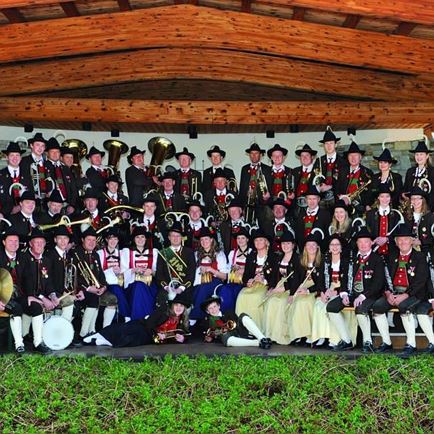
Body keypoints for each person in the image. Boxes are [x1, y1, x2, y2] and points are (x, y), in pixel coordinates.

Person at [372, 224, 429, 357]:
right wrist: (388, 293)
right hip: (393, 293)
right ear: (396, 243)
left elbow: (421, 281)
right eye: (400, 240)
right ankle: (386, 342)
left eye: (406, 239)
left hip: (414, 294)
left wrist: (405, 295)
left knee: (404, 306)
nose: (403, 242)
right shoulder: (392, 257)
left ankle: (411, 344)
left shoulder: (420, 257)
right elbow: (385, 278)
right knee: (377, 306)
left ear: (411, 241)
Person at [326, 227, 384, 353]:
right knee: (331, 307)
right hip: (352, 294)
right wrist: (344, 294)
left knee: (361, 308)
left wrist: (363, 296)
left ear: (371, 243)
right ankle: (346, 340)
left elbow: (378, 284)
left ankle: (367, 342)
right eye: (360, 242)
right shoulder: (350, 260)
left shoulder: (377, 259)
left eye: (366, 242)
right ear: (357, 244)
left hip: (370, 295)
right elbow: (345, 278)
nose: (363, 245)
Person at [83, 293, 190, 348]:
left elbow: (185, 333)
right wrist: (157, 333)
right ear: (172, 306)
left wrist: (182, 338)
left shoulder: (182, 320)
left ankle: (104, 342)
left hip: (151, 338)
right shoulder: (163, 311)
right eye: (176, 305)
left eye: (181, 306)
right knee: (126, 330)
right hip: (144, 327)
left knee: (134, 340)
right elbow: (149, 324)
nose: (179, 308)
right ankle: (97, 335)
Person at [70, 227, 117, 340]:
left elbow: (100, 273)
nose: (91, 243)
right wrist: (87, 288)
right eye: (89, 240)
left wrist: (104, 286)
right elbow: (73, 276)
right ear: (82, 240)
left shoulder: (95, 254)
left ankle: (99, 331)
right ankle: (84, 332)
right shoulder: (75, 253)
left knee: (112, 298)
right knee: (94, 298)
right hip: (80, 289)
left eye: (94, 240)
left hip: (96, 289)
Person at [311, 234, 357, 349]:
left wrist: (336, 292)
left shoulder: (347, 261)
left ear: (341, 247)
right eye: (332, 244)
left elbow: (349, 280)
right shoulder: (325, 260)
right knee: (318, 305)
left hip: (342, 290)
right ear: (329, 247)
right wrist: (322, 292)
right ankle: (322, 336)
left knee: (330, 305)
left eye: (337, 245)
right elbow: (321, 279)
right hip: (328, 288)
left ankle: (335, 339)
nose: (335, 247)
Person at [16, 229, 54, 354]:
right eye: (36, 242)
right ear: (31, 244)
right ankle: (38, 342)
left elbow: (47, 282)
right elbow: (26, 284)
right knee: (37, 307)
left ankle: (40, 338)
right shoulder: (23, 258)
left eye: (42, 242)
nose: (39, 245)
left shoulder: (46, 260)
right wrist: (42, 298)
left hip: (38, 296)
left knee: (49, 304)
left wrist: (52, 295)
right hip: (23, 296)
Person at [262, 231, 302, 345]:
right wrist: (271, 287)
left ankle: (281, 335)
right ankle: (270, 334)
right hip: (279, 286)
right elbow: (274, 275)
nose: (285, 246)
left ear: (293, 245)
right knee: (270, 302)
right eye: (283, 243)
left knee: (280, 303)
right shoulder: (279, 258)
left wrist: (288, 290)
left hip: (291, 288)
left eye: (288, 243)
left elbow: (298, 278)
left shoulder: (297, 259)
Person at [287, 232, 322, 345]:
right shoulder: (301, 261)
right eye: (308, 245)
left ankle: (310, 333)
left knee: (306, 302)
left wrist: (308, 291)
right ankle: (298, 333)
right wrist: (292, 293)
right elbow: (296, 279)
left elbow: (322, 282)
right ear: (305, 247)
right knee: (295, 302)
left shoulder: (322, 262)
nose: (311, 247)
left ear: (317, 247)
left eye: (313, 245)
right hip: (302, 287)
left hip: (315, 289)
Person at [235, 229, 275, 330]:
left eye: (261, 240)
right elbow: (246, 275)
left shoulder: (273, 256)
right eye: (256, 240)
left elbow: (275, 276)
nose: (258, 242)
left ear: (266, 242)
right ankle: (242, 328)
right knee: (242, 296)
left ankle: (257, 328)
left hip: (265, 285)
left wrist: (264, 280)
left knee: (256, 297)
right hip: (252, 285)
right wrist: (248, 281)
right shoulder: (251, 256)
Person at [200, 295, 272, 348]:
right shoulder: (206, 321)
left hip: (240, 332)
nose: (213, 310)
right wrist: (209, 337)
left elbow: (237, 323)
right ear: (207, 311)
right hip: (230, 338)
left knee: (243, 316)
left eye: (215, 306)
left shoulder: (229, 313)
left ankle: (262, 338)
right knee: (225, 336)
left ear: (219, 306)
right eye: (210, 308)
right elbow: (207, 334)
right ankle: (258, 343)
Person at [190, 227, 229, 321]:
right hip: (199, 282)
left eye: (206, 239)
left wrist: (211, 270)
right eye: (202, 240)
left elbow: (225, 276)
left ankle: (193, 317)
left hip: (215, 282)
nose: (204, 242)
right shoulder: (196, 254)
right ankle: (203, 320)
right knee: (196, 290)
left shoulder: (219, 254)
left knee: (203, 288)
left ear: (212, 240)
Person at [120, 226, 158, 320]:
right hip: (132, 285)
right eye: (137, 237)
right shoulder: (127, 252)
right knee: (138, 286)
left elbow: (159, 272)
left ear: (146, 239)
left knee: (145, 287)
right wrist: (133, 270)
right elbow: (122, 272)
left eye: (142, 237)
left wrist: (152, 271)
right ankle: (145, 318)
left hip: (149, 284)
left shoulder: (154, 252)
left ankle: (138, 319)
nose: (140, 239)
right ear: (134, 239)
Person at [154, 222, 196, 307]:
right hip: (167, 287)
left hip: (184, 287)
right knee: (162, 298)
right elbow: (159, 274)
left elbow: (191, 273)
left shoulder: (189, 252)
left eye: (178, 236)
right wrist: (167, 287)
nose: (175, 238)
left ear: (182, 238)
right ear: (169, 238)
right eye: (173, 236)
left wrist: (181, 288)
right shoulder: (163, 253)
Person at [0, 227, 26, 353]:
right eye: (10, 241)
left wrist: (35, 297)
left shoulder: (23, 257)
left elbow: (29, 279)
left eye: (16, 241)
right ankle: (19, 344)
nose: (14, 244)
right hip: (3, 298)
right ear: (4, 242)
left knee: (35, 306)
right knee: (16, 308)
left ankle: (37, 341)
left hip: (19, 294)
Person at [97, 228, 130, 321]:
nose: (113, 241)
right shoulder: (100, 253)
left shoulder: (122, 253)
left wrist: (120, 271)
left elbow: (125, 269)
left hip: (119, 282)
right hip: (105, 283)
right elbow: (98, 272)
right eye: (110, 239)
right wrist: (111, 270)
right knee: (116, 289)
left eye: (115, 239)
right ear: (106, 240)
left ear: (118, 240)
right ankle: (127, 316)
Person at [337, 140, 373, 215]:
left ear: (360, 157)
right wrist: (342, 197)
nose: (353, 158)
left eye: (356, 155)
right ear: (347, 157)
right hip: (344, 208)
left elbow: (370, 192)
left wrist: (367, 205)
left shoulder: (368, 172)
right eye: (350, 155)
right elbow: (337, 187)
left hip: (361, 209)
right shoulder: (342, 171)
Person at [238, 143, 272, 225]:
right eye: (252, 153)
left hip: (262, 205)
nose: (254, 156)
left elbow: (270, 187)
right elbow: (242, 189)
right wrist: (241, 206)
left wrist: (267, 197)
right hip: (248, 205)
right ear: (249, 155)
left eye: (256, 153)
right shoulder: (244, 169)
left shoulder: (267, 169)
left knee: (263, 228)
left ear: (260, 155)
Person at [313, 127, 347, 207]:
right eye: (326, 144)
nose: (329, 146)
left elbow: (345, 181)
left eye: (331, 143)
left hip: (337, 199)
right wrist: (319, 187)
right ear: (323, 146)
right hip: (322, 200)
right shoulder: (319, 161)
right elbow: (314, 179)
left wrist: (330, 186)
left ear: (335, 144)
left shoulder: (343, 162)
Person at [221, 226, 252, 313]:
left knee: (237, 292)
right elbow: (227, 268)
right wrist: (232, 268)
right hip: (233, 280)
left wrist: (243, 269)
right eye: (238, 238)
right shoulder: (232, 253)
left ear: (247, 240)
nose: (240, 240)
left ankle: (236, 315)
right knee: (225, 290)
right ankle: (226, 315)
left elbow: (254, 269)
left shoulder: (252, 252)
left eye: (243, 238)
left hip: (245, 282)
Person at [366, 184, 400, 257]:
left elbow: (398, 233)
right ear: (378, 198)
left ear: (390, 198)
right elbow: (367, 232)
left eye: (387, 196)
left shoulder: (396, 214)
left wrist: (387, 239)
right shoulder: (370, 214)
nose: (385, 199)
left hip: (392, 252)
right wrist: (374, 240)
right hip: (374, 252)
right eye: (382, 196)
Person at [19, 132, 52, 206]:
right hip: (29, 201)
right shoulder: (24, 161)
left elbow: (51, 180)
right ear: (31, 145)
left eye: (42, 146)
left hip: (46, 202)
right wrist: (31, 194)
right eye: (37, 145)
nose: (40, 148)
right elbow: (22, 181)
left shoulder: (48, 164)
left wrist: (50, 192)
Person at [0, 141, 31, 216]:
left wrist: (21, 207)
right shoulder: (1, 175)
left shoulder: (27, 175)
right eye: (12, 155)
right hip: (5, 215)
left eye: (17, 155)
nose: (15, 158)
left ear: (20, 158)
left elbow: (31, 195)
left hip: (24, 214)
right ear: (7, 157)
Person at [403, 139, 434, 209]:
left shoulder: (432, 172)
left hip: (428, 208)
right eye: (417, 154)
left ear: (427, 156)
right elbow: (406, 188)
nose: (419, 157)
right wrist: (404, 194)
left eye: (421, 154)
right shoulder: (410, 171)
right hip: (412, 207)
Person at [404, 186, 434, 255]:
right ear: (410, 201)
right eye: (413, 198)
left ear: (423, 200)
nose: (415, 201)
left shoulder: (430, 217)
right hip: (409, 252)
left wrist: (422, 242)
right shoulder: (406, 217)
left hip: (426, 252)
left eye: (418, 198)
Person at [292, 144, 317, 211]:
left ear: (312, 157)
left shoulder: (317, 172)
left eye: (307, 155)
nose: (304, 158)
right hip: (296, 206)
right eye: (302, 156)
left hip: (312, 206)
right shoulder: (294, 171)